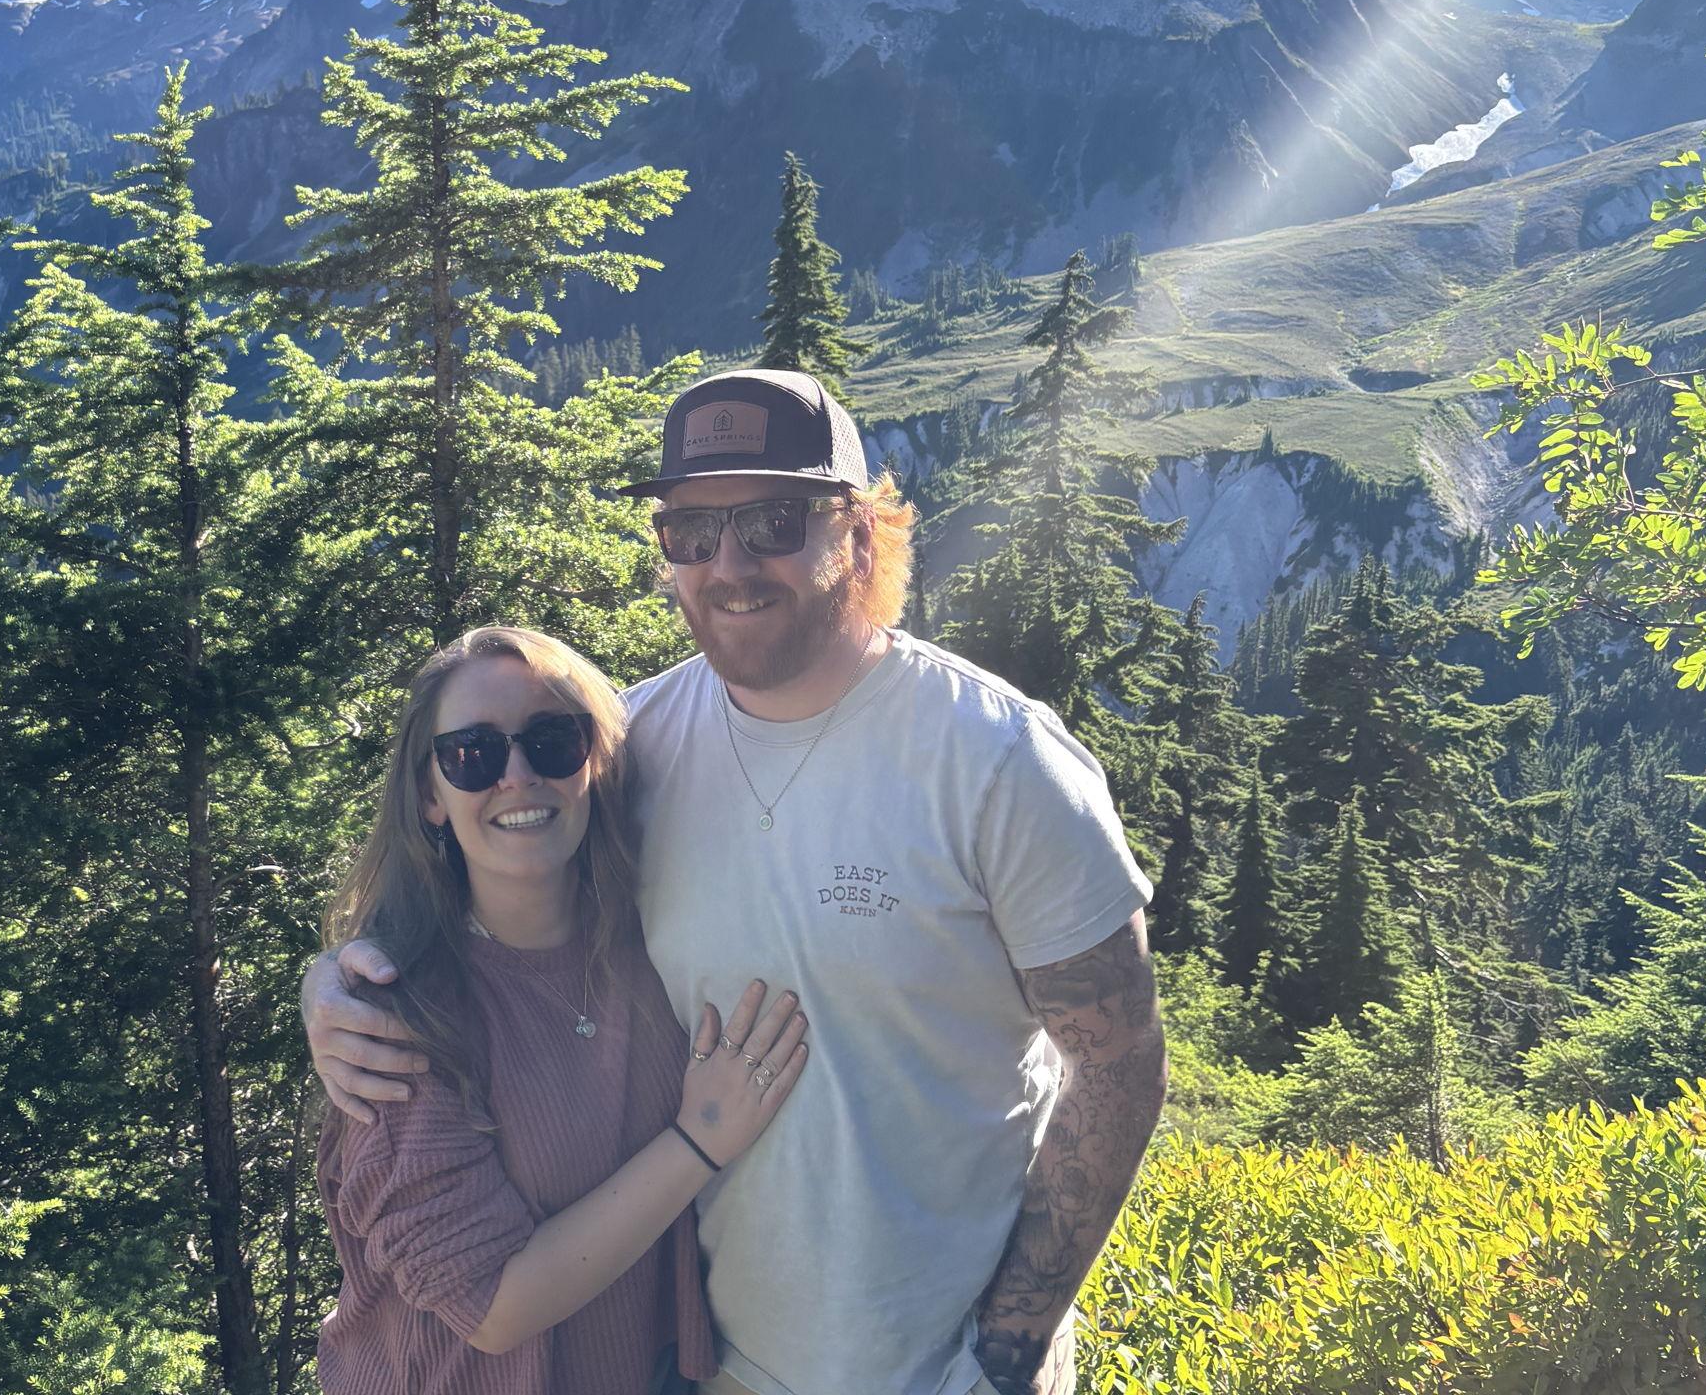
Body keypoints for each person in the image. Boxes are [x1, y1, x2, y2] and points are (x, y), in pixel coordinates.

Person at [305, 371, 1169, 1395]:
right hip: (708, 1372)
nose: (728, 563)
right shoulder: (631, 747)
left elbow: (1117, 1067)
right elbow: (497, 881)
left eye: (772, 521)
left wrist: (1008, 1349)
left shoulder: (996, 759)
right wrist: (342, 984)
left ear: (854, 531)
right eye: (691, 531)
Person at [314, 623, 808, 1394]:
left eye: (551, 741)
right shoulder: (399, 1021)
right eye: (471, 754)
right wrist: (701, 1139)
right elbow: (494, 1308)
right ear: (429, 796)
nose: (516, 776)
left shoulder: (658, 939)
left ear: (595, 762)